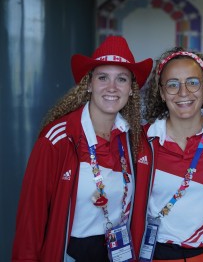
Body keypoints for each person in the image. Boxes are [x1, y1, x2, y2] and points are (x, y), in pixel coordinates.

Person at [12, 36, 153, 261]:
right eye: (103, 77)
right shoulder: (58, 139)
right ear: (89, 84)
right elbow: (31, 221)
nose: (112, 87)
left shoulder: (135, 139)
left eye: (122, 79)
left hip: (117, 253)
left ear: (132, 89)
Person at [132, 47, 203, 261]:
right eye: (173, 85)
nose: (183, 93)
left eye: (193, 82)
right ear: (162, 93)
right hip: (155, 254)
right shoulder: (141, 141)